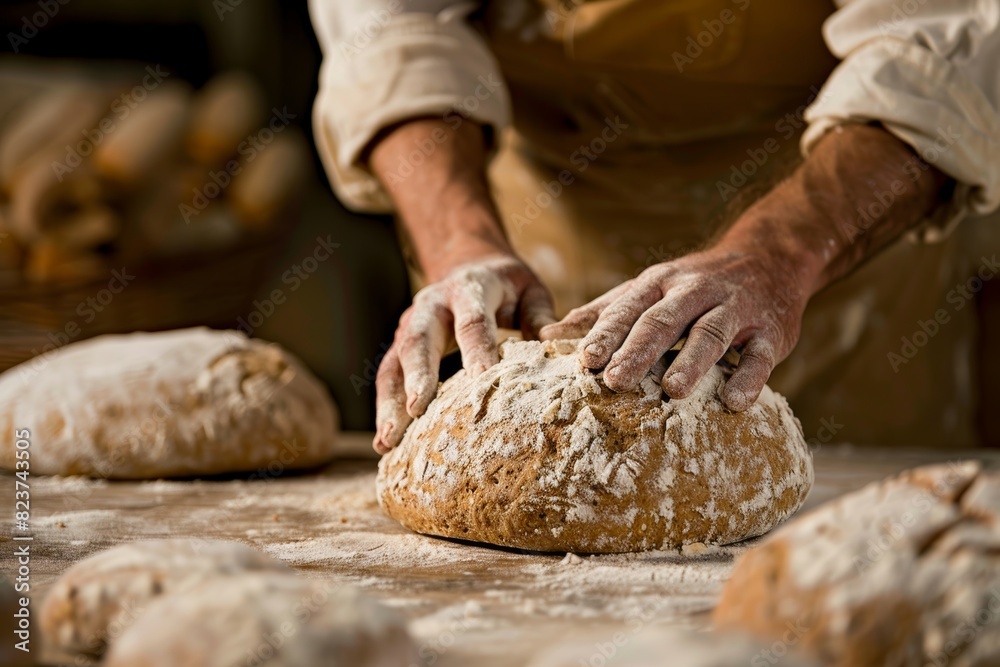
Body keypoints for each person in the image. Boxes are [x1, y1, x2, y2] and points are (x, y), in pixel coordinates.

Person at [308, 0, 1000, 452]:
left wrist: (783, 252)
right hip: (544, 213)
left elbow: (942, 45)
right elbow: (394, 30)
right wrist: (461, 243)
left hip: (840, 231)